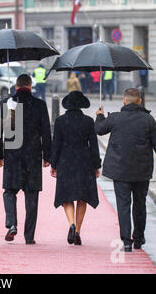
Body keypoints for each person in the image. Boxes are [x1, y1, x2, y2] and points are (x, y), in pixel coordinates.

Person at [95, 88, 156, 252]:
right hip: (141, 170)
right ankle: (139, 238)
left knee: (123, 204)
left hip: (120, 170)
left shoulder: (115, 118)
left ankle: (126, 240)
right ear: (140, 102)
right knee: (139, 204)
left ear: (124, 101)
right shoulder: (148, 120)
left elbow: (99, 129)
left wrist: (99, 115)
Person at [0, 74, 52, 245]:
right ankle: (29, 236)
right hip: (33, 155)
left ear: (16, 86)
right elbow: (46, 133)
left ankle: (11, 223)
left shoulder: (4, 104)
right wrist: (47, 156)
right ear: (30, 86)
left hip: (12, 154)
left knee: (9, 191)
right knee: (31, 195)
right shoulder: (39, 105)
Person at [50, 91, 101, 246]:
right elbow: (94, 145)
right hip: (84, 162)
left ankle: (71, 223)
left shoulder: (60, 121)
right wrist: (96, 165)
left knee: (67, 196)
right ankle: (77, 231)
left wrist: (53, 164)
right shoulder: (88, 121)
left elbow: (56, 144)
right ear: (81, 105)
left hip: (65, 161)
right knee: (82, 197)